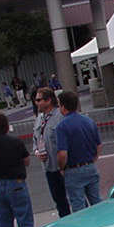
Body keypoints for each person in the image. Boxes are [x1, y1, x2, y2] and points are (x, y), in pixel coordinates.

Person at [56, 91, 102, 212]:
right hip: (90, 166)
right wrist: (93, 159)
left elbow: (62, 153)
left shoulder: (62, 126)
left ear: (63, 107)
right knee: (97, 202)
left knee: (78, 205)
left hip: (73, 169)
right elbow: (98, 145)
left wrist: (61, 167)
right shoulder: (89, 121)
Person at [32, 87, 70, 218]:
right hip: (48, 167)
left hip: (63, 166)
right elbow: (35, 139)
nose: (36, 103)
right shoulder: (39, 118)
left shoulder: (60, 116)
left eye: (39, 100)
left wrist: (64, 165)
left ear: (48, 100)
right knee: (59, 201)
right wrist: (37, 151)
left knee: (74, 198)